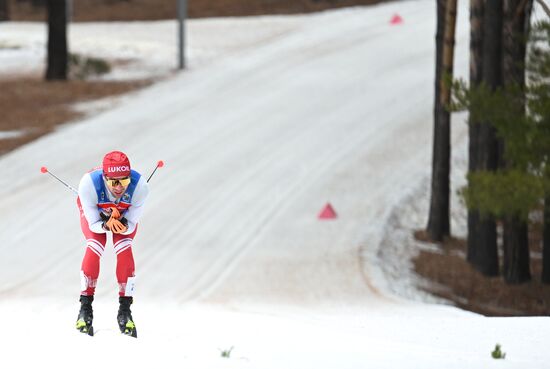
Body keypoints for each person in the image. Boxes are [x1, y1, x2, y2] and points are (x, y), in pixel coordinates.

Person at [75, 151, 149, 337]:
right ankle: (85, 309)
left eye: (124, 181)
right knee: (95, 244)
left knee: (124, 247)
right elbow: (93, 225)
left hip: (123, 214)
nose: (118, 188)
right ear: (104, 177)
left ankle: (125, 312)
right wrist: (105, 223)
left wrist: (122, 225)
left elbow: (131, 223)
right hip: (97, 214)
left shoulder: (140, 186)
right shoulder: (89, 184)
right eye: (113, 182)